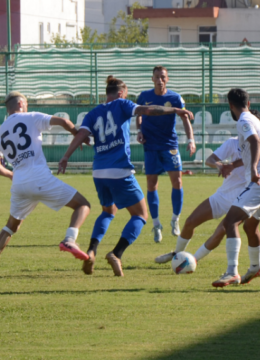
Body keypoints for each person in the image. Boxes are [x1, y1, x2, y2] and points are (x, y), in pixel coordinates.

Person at [58, 76, 194, 277]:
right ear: (121, 94)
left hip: (98, 172)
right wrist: (175, 110)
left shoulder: (93, 113)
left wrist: (65, 156)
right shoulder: (122, 104)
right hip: (119, 170)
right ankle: (116, 253)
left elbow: (80, 135)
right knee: (140, 215)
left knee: (108, 212)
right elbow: (147, 110)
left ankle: (91, 251)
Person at [154, 110, 260, 286]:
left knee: (225, 229)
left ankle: (195, 260)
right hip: (223, 195)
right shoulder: (233, 143)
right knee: (191, 221)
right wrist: (220, 166)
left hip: (246, 194)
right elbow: (210, 159)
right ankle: (177, 254)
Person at [0, 92, 92, 277]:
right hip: (39, 178)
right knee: (83, 205)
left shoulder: (0, 132)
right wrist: (76, 134)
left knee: (11, 226)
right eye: (25, 103)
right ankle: (70, 240)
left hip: (19, 184)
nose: (27, 106)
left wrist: (11, 175)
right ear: (20, 104)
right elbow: (64, 121)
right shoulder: (31, 117)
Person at [212, 89, 260, 288]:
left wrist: (253, 168)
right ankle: (255, 267)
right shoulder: (254, 119)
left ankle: (232, 272)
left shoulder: (243, 121)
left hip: (259, 181)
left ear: (231, 106)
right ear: (248, 103)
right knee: (250, 227)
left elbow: (255, 142)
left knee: (230, 221)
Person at [136, 66, 196, 244]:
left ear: (167, 79)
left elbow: (185, 118)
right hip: (150, 146)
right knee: (151, 184)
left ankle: (175, 219)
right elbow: (138, 114)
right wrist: (139, 130)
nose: (160, 80)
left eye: (163, 77)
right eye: (156, 77)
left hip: (170, 145)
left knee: (177, 181)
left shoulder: (175, 98)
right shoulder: (144, 96)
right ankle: (156, 225)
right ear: (152, 79)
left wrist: (191, 139)